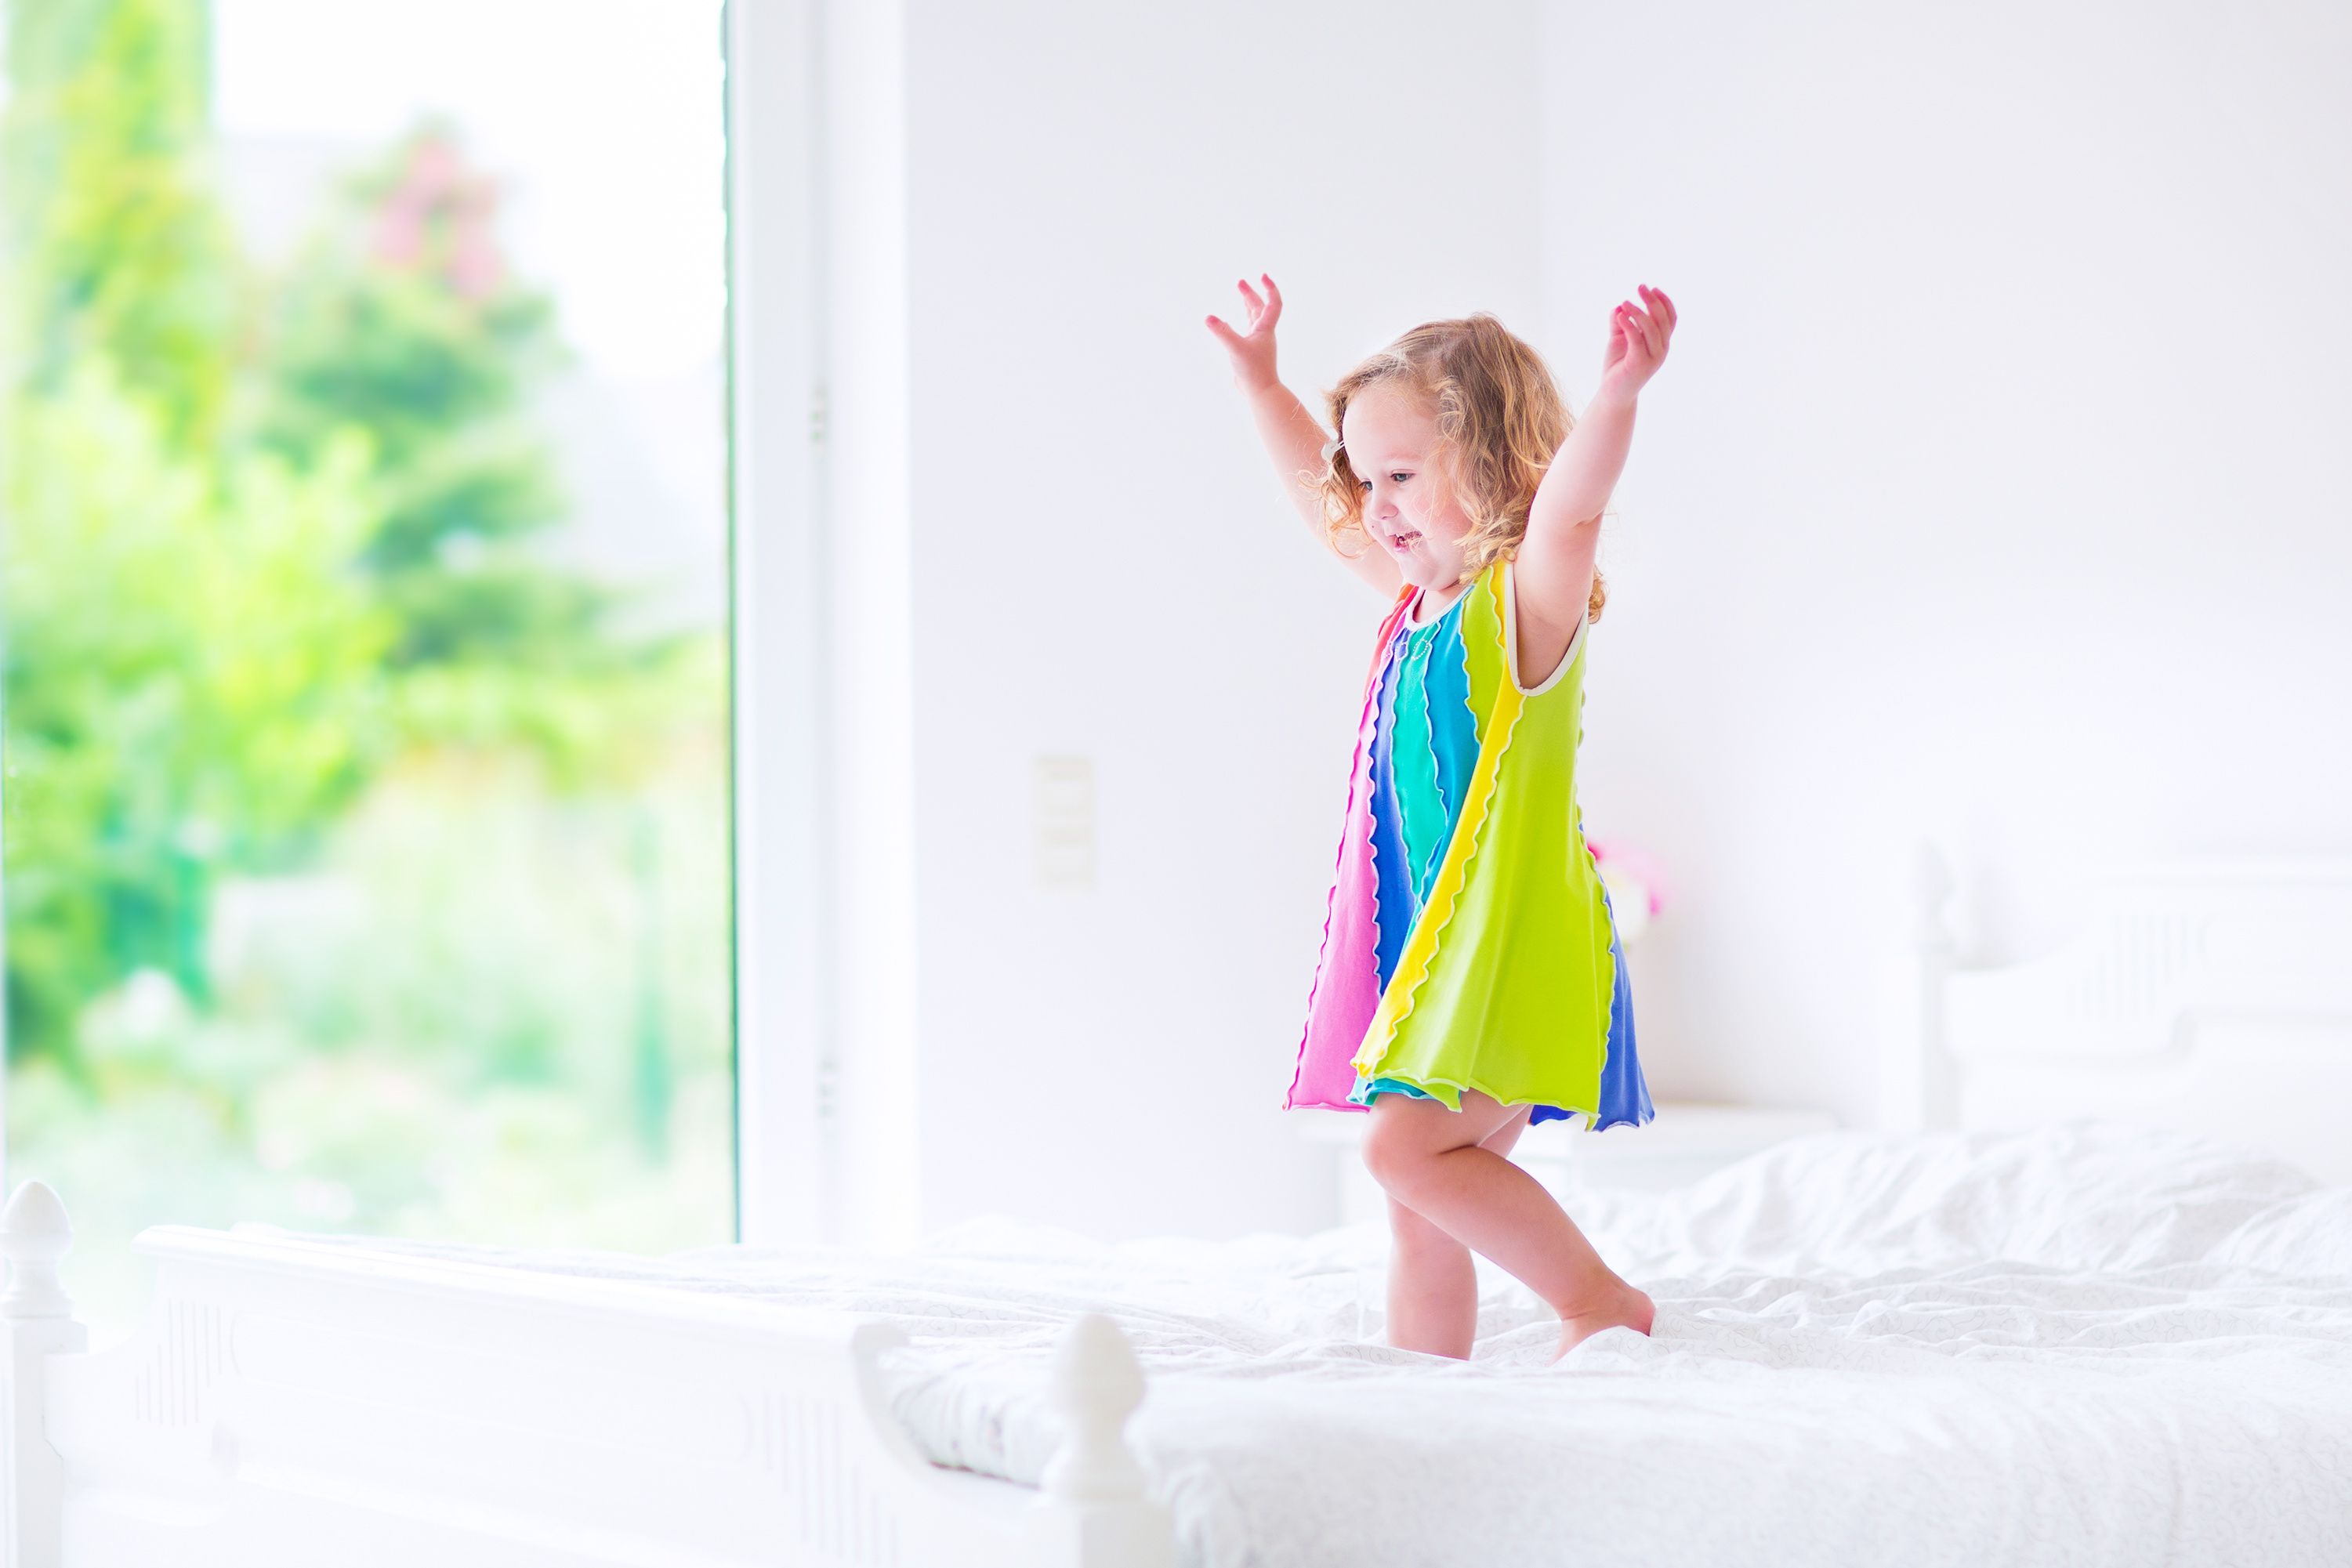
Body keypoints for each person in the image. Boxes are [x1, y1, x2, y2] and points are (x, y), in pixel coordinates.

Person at [1205, 278, 1676, 1360]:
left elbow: (1572, 504)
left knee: (1403, 1152)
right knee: (1417, 1211)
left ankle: (1599, 1300)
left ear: (1494, 465)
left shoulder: (1523, 605)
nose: (1374, 505)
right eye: (1365, 478)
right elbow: (1321, 510)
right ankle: (1426, 1395)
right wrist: (1261, 384)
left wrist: (1616, 396)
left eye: (1403, 476)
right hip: (1442, 943)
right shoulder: (1412, 606)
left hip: (1514, 941)